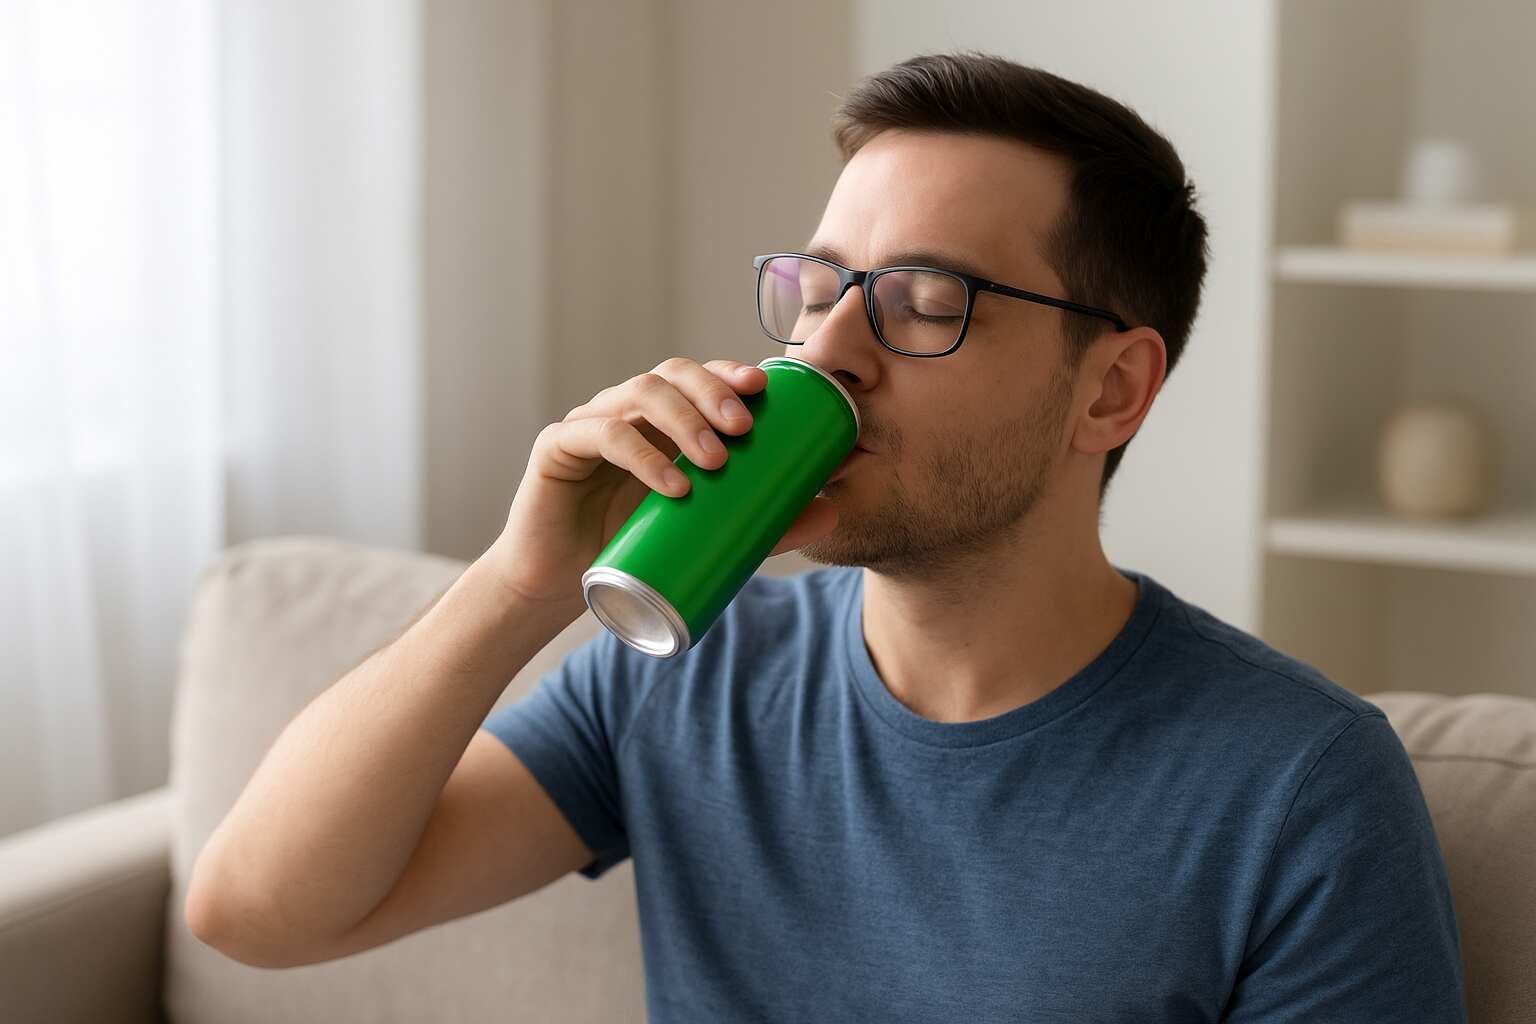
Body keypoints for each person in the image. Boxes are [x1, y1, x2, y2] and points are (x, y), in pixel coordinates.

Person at [185, 52, 1467, 1021]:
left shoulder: (1299, 788)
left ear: (1111, 390)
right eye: (818, 287)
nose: (824, 351)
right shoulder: (691, 672)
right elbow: (255, 910)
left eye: (922, 303)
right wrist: (522, 582)